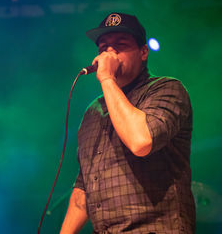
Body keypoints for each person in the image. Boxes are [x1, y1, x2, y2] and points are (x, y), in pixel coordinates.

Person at [60, 13, 195, 234]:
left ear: (143, 52)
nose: (109, 52)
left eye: (120, 45)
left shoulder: (167, 90)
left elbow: (141, 141)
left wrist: (107, 78)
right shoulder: (93, 112)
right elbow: (84, 185)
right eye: (104, 48)